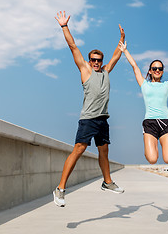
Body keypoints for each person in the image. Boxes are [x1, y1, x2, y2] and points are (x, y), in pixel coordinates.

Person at [53, 11, 125, 207]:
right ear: (89, 60)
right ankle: (60, 189)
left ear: (102, 61)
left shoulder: (106, 71)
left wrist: (122, 39)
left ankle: (107, 182)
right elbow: (72, 46)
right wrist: (64, 26)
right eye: (93, 59)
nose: (95, 62)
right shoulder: (85, 69)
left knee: (104, 151)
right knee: (79, 149)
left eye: (98, 60)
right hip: (88, 119)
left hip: (102, 119)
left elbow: (117, 56)